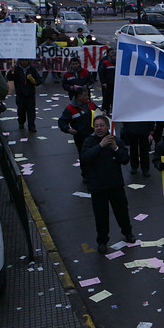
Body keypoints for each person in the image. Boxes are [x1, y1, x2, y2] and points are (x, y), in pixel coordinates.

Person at [81, 115, 135, 254]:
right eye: (96, 126)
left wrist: (115, 148)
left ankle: (128, 233)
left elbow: (125, 159)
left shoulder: (115, 141)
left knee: (122, 211)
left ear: (107, 127)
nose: (99, 128)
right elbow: (85, 158)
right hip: (98, 187)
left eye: (101, 125)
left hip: (115, 185)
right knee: (101, 216)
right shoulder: (89, 141)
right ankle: (102, 241)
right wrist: (101, 145)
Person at [58, 87, 99, 181]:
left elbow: (98, 111)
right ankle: (85, 175)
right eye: (85, 95)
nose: (87, 97)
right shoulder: (70, 109)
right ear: (79, 96)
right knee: (84, 156)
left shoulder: (90, 104)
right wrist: (68, 129)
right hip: (81, 137)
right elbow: (62, 122)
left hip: (93, 135)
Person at [6, 59, 43, 131]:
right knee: (21, 110)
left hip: (30, 94)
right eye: (22, 60)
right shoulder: (16, 69)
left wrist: (35, 82)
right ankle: (21, 122)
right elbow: (9, 78)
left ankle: (31, 125)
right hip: (20, 94)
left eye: (25, 60)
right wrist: (11, 72)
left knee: (31, 111)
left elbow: (39, 79)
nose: (24, 62)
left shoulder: (32, 69)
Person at [98, 48, 116, 115]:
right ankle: (105, 112)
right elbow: (101, 73)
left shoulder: (118, 64)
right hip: (108, 84)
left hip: (115, 85)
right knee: (106, 99)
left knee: (114, 100)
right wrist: (103, 82)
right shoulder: (105, 63)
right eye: (114, 56)